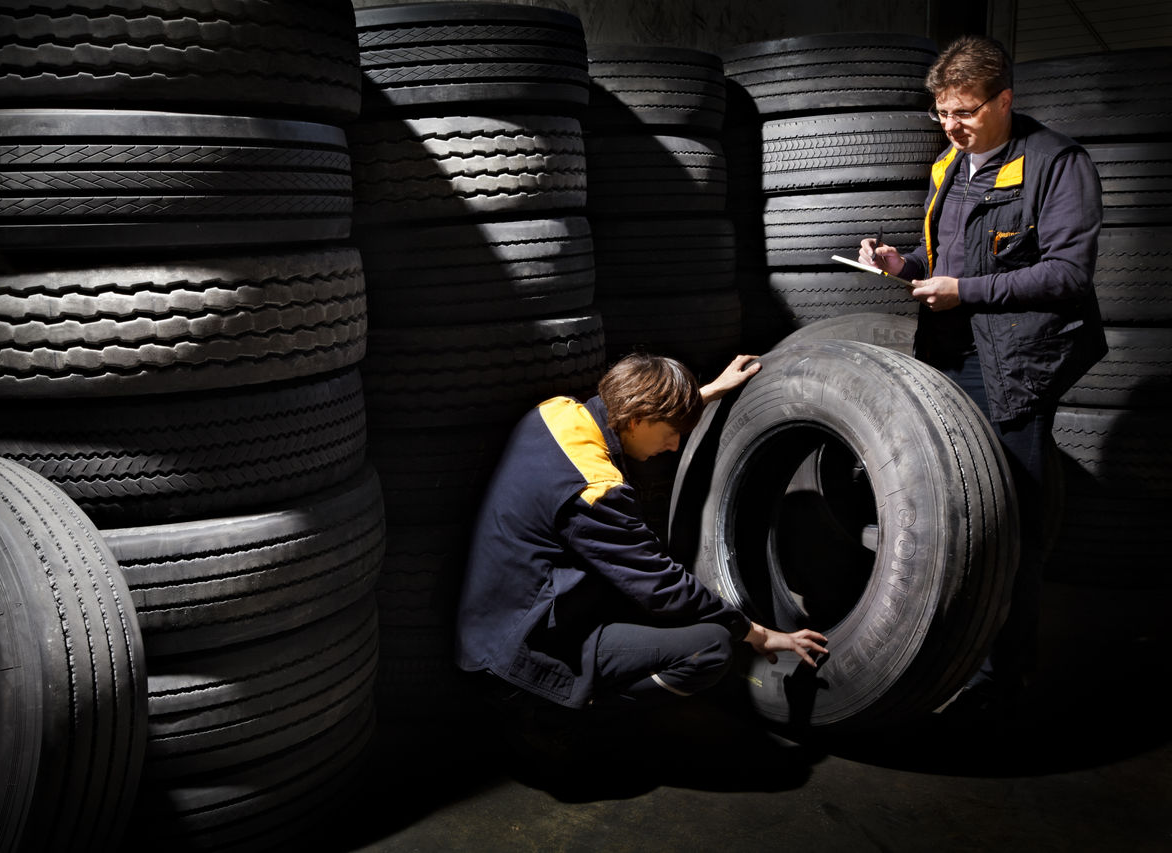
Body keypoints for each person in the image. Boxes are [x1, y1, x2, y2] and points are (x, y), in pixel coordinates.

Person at [857, 35, 1107, 722]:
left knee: (1011, 521)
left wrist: (964, 291)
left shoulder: (1057, 164)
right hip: (946, 355)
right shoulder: (948, 167)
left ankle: (1004, 674)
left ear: (1004, 99)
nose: (953, 125)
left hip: (1015, 364)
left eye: (965, 111)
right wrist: (899, 265)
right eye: (943, 112)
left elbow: (1067, 274)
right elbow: (943, 258)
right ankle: (950, 644)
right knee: (952, 510)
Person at [455, 352, 828, 731]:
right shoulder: (596, 491)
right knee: (712, 646)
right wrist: (755, 633)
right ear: (637, 419)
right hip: (520, 653)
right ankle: (563, 720)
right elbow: (663, 586)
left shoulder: (555, 413)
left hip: (491, 623)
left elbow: (638, 412)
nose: (673, 446)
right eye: (672, 433)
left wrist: (706, 392)